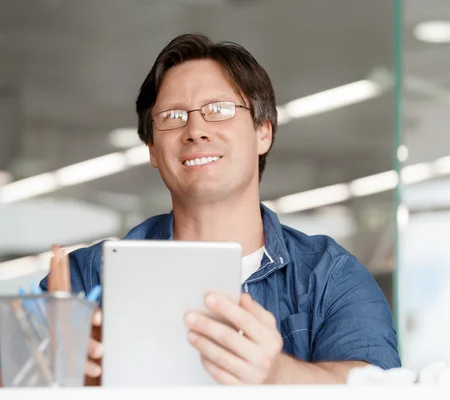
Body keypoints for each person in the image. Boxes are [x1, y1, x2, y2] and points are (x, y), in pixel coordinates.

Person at [39, 33, 401, 385]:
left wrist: (276, 375)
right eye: (173, 116)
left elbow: (379, 387)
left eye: (219, 110)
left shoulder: (329, 276)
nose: (195, 130)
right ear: (151, 148)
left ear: (264, 132)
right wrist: (61, 378)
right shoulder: (86, 280)